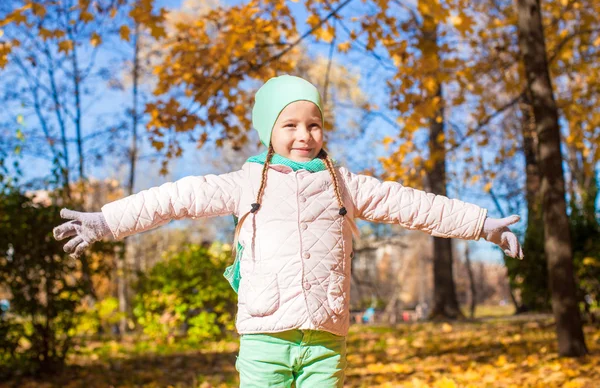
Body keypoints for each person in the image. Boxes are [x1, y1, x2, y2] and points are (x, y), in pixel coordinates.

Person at [53, 75, 524, 387]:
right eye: (291, 125)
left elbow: (415, 206)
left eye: (314, 124)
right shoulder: (245, 183)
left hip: (326, 339)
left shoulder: (346, 185)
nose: (305, 135)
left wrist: (482, 225)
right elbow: (174, 199)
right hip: (265, 338)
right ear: (269, 131)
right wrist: (106, 221)